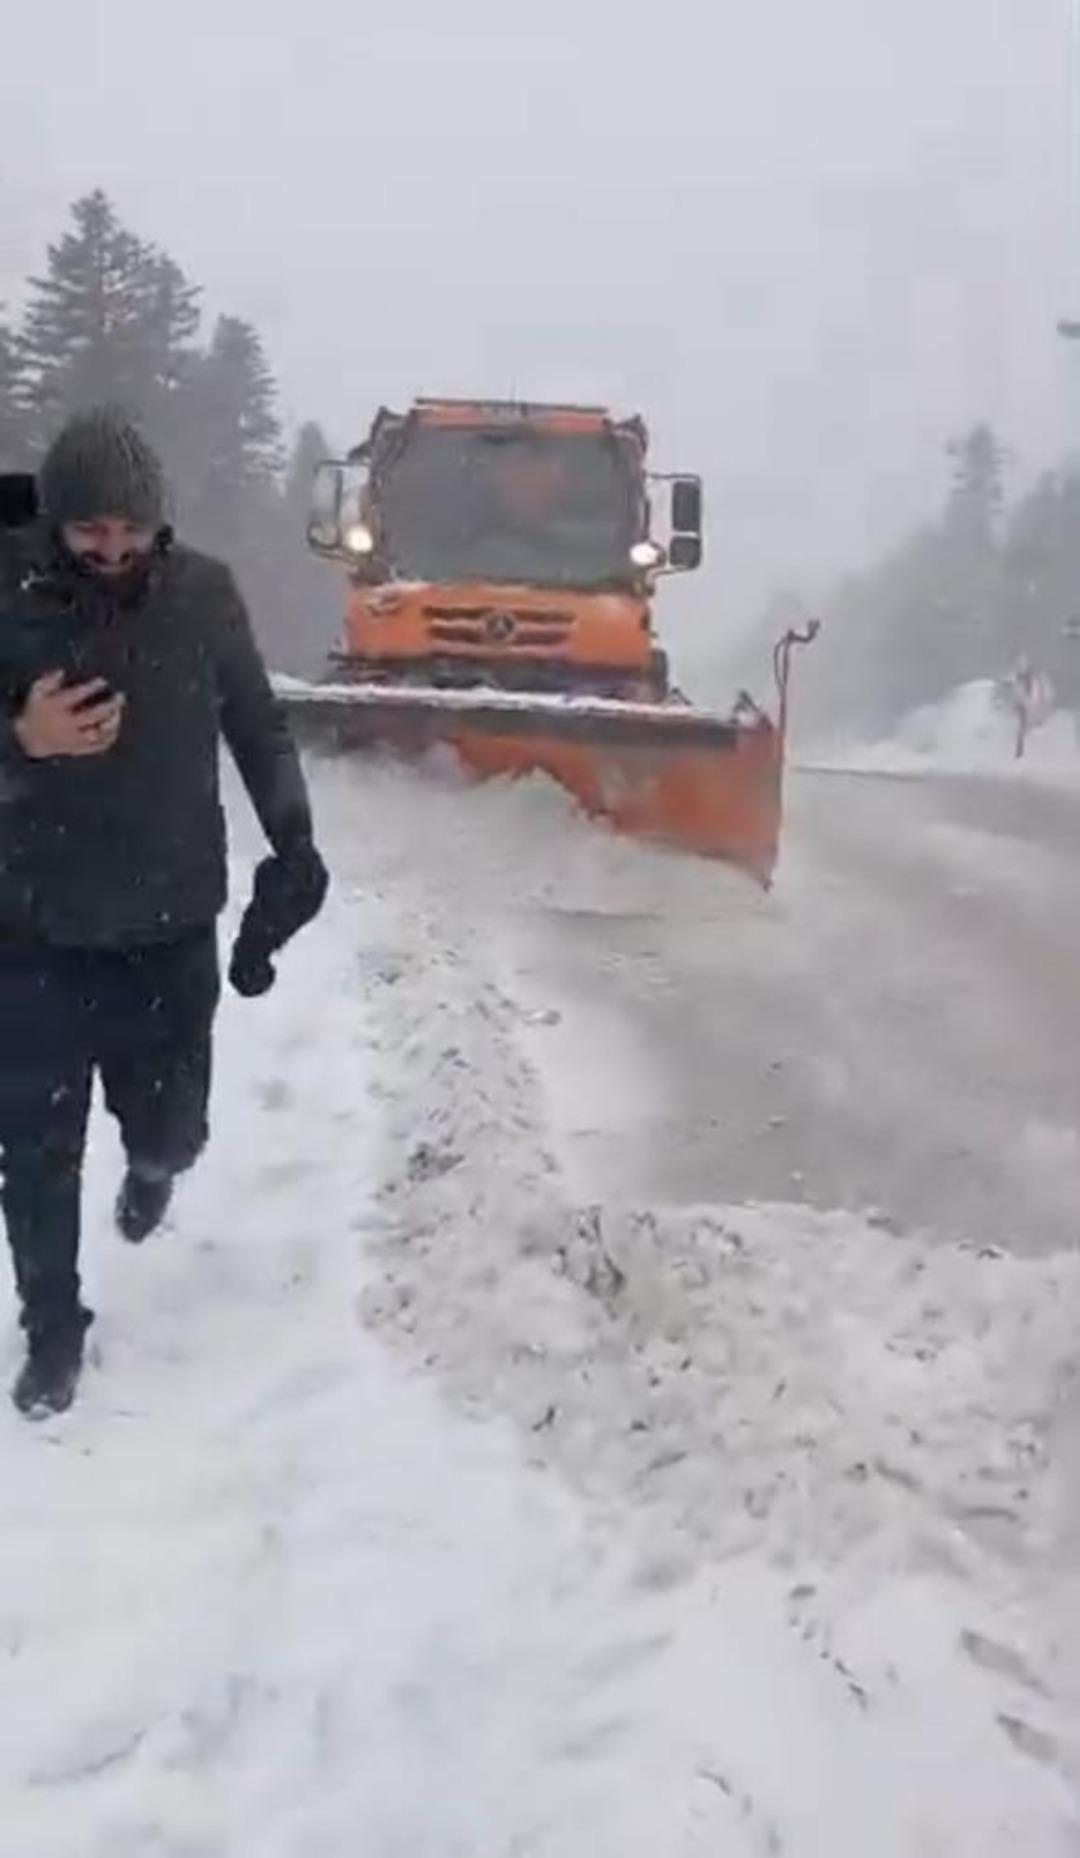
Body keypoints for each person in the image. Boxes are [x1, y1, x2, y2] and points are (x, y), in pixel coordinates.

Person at [0, 408, 328, 1418]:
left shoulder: (204, 597)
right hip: (31, 928)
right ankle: (53, 1330)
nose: (113, 548)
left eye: (131, 528)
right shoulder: (5, 593)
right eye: (91, 529)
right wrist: (20, 736)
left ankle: (154, 1168)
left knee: (172, 1129)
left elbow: (257, 725)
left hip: (168, 926)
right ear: (55, 522)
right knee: (34, 1153)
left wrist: (295, 838)